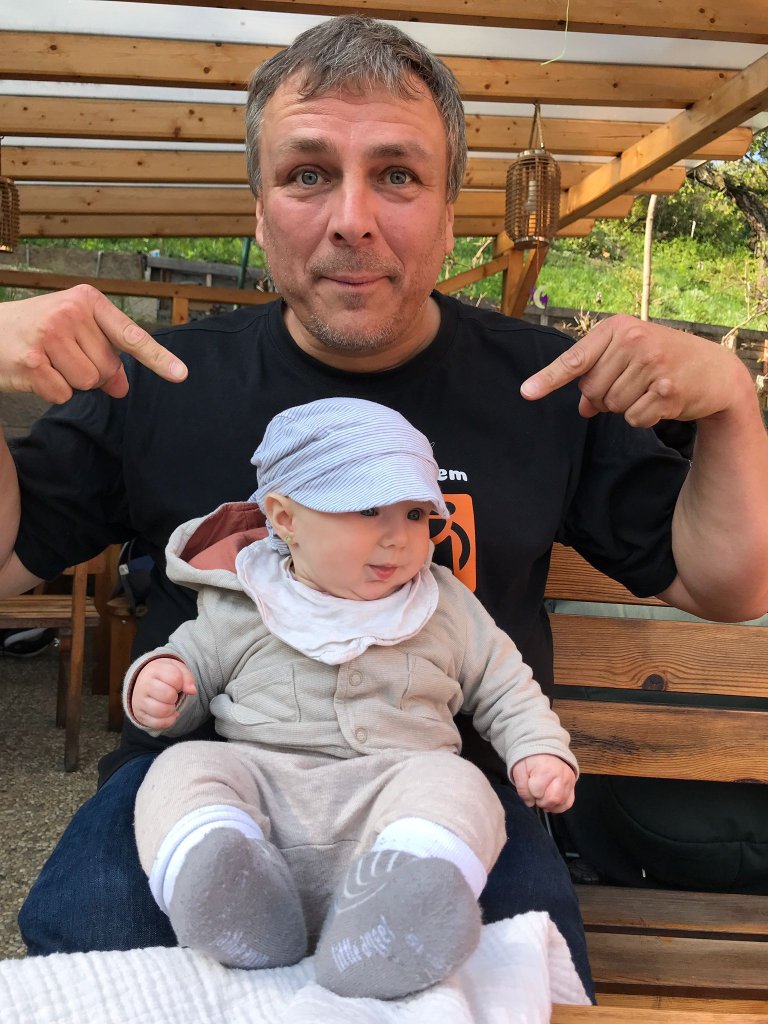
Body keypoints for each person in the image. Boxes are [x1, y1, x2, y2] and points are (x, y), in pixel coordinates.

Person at [0, 14, 765, 1003]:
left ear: (449, 214)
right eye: (307, 174)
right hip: (205, 786)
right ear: (260, 209)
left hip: (443, 792)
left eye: (397, 175)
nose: (351, 217)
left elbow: (727, 585)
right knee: (98, 984)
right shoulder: (156, 379)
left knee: (487, 992)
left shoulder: (549, 388)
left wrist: (731, 405)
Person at [126, 397, 578, 999]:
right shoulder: (245, 600)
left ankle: (401, 912)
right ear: (284, 518)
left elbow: (504, 685)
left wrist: (537, 750)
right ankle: (226, 888)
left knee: (462, 785)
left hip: (397, 797)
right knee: (180, 768)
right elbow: (192, 667)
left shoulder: (445, 606)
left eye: (415, 513)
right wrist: (163, 687)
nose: (398, 538)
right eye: (367, 510)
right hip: (265, 792)